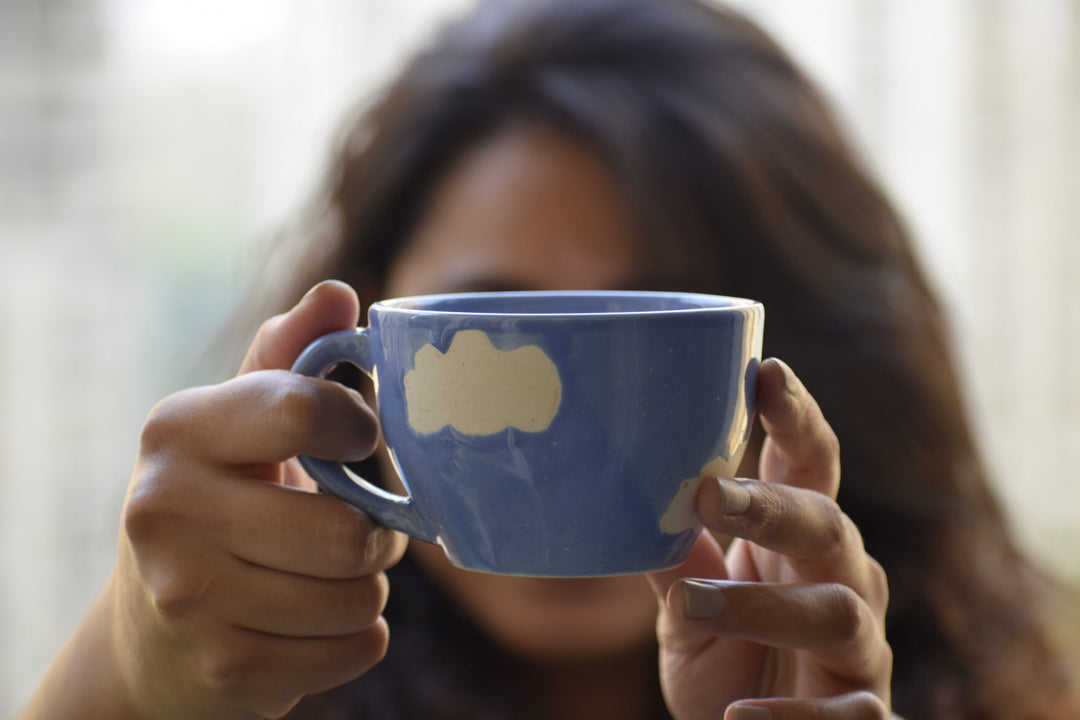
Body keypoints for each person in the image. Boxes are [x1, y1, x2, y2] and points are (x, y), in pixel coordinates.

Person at [19, 0, 1077, 718]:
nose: (564, 420)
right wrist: (128, 676)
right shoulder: (250, 685)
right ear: (374, 366)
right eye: (495, 317)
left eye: (651, 338)